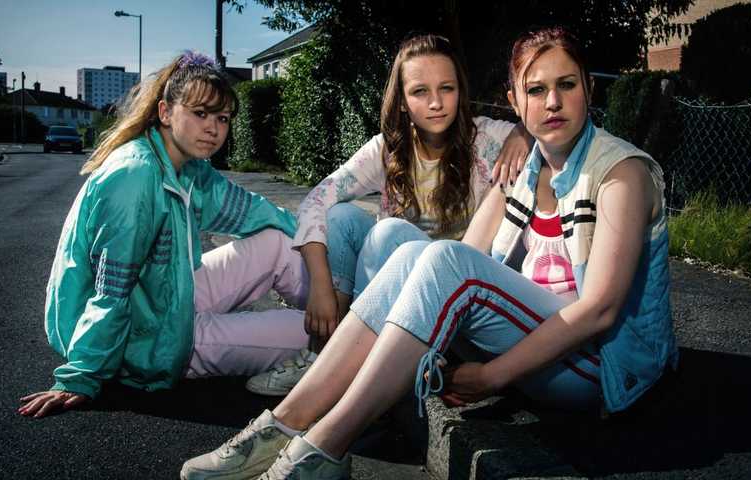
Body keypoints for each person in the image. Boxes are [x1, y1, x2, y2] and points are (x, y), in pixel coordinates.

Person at [181, 26, 678, 480]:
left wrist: (491, 376)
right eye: (535, 90)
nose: (552, 101)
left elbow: (601, 311)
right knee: (409, 255)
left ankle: (324, 448)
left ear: (589, 88)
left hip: (598, 368)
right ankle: (283, 425)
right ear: (515, 101)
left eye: (566, 85)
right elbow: (468, 253)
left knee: (440, 258)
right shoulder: (525, 170)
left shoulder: (621, 173)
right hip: (536, 350)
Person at [18, 51, 312, 418]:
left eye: (222, 118)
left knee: (279, 241)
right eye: (200, 113)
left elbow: (251, 210)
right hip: (147, 339)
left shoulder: (188, 167)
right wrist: (82, 376)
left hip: (169, 298)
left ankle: (350, 317)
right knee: (311, 334)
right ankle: (352, 343)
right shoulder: (135, 175)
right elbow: (111, 291)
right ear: (165, 112)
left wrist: (314, 244)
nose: (213, 128)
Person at [245, 33, 533, 397]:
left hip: (457, 294)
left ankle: (345, 368)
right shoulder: (389, 149)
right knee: (343, 218)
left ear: (460, 91)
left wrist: (523, 131)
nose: (436, 103)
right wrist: (320, 285)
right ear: (402, 101)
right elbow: (318, 198)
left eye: (446, 88)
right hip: (397, 295)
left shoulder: (488, 138)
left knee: (389, 233)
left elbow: (555, 128)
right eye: (419, 92)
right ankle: (326, 354)